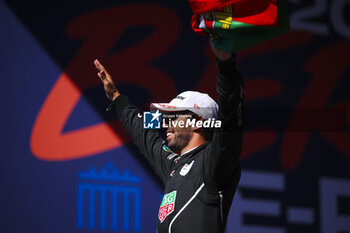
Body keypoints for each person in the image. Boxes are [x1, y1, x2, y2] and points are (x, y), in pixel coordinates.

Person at [94, 40, 244, 233]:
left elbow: (230, 117)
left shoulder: (214, 163)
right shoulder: (174, 165)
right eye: (165, 118)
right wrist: (116, 97)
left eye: (173, 117)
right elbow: (143, 133)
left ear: (198, 122)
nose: (166, 124)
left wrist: (226, 66)